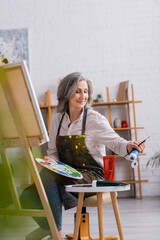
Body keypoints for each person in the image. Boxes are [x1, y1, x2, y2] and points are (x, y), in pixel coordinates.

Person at [20, 72, 145, 240]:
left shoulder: (94, 119)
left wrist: (129, 146)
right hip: (63, 173)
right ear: (66, 92)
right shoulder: (57, 120)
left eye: (85, 91)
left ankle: (56, 234)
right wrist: (52, 162)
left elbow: (116, 142)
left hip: (91, 175)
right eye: (78, 91)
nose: (83, 96)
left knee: (48, 175)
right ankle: (47, 228)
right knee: (27, 196)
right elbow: (53, 153)